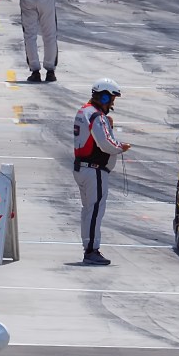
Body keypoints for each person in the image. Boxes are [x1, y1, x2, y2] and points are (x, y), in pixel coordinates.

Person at [72, 78, 130, 266]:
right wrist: (121, 147)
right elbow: (105, 144)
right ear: (104, 97)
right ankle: (92, 250)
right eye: (112, 98)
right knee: (95, 211)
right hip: (94, 170)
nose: (112, 103)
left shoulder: (84, 111)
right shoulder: (97, 116)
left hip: (83, 168)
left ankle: (89, 247)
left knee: (88, 210)